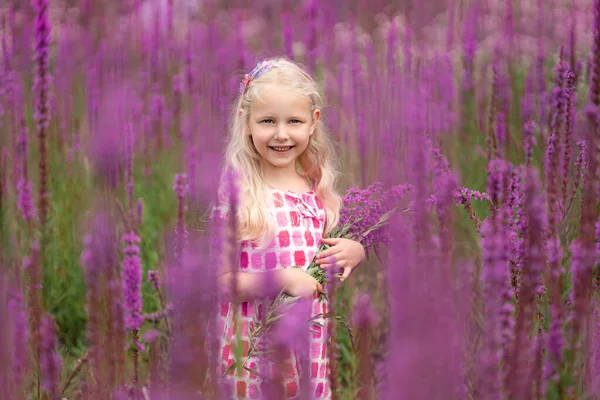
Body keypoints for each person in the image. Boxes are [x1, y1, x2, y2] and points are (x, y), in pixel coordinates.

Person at [212, 57, 365, 399]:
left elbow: (325, 251)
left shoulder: (314, 189)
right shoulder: (239, 193)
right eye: (267, 121)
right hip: (254, 349)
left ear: (313, 123)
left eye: (293, 121)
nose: (281, 134)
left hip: (307, 345)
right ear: (246, 122)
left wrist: (355, 252)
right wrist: (282, 278)